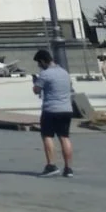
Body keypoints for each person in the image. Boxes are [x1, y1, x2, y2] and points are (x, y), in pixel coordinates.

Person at [32, 49, 75, 177]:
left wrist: (35, 82)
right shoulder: (64, 72)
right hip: (66, 109)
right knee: (64, 137)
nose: (39, 66)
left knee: (48, 136)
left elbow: (36, 90)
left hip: (51, 110)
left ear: (43, 61)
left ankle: (51, 165)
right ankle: (68, 168)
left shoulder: (45, 74)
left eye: (39, 64)